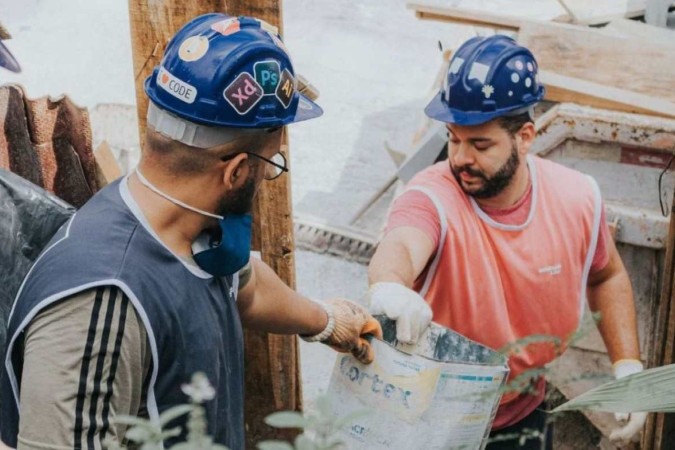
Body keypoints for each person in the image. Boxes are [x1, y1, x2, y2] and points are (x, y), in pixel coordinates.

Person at [0, 13, 381, 449]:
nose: (267, 177)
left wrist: (328, 322)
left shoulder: (193, 230)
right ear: (237, 172)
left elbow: (245, 286)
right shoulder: (103, 298)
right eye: (270, 165)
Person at [367, 35, 644, 449]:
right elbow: (403, 244)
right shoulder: (432, 196)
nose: (460, 157)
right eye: (453, 138)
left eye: (480, 144)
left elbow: (606, 275)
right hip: (425, 419)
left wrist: (628, 366)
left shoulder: (576, 198)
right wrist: (388, 283)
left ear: (525, 136)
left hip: (523, 410)